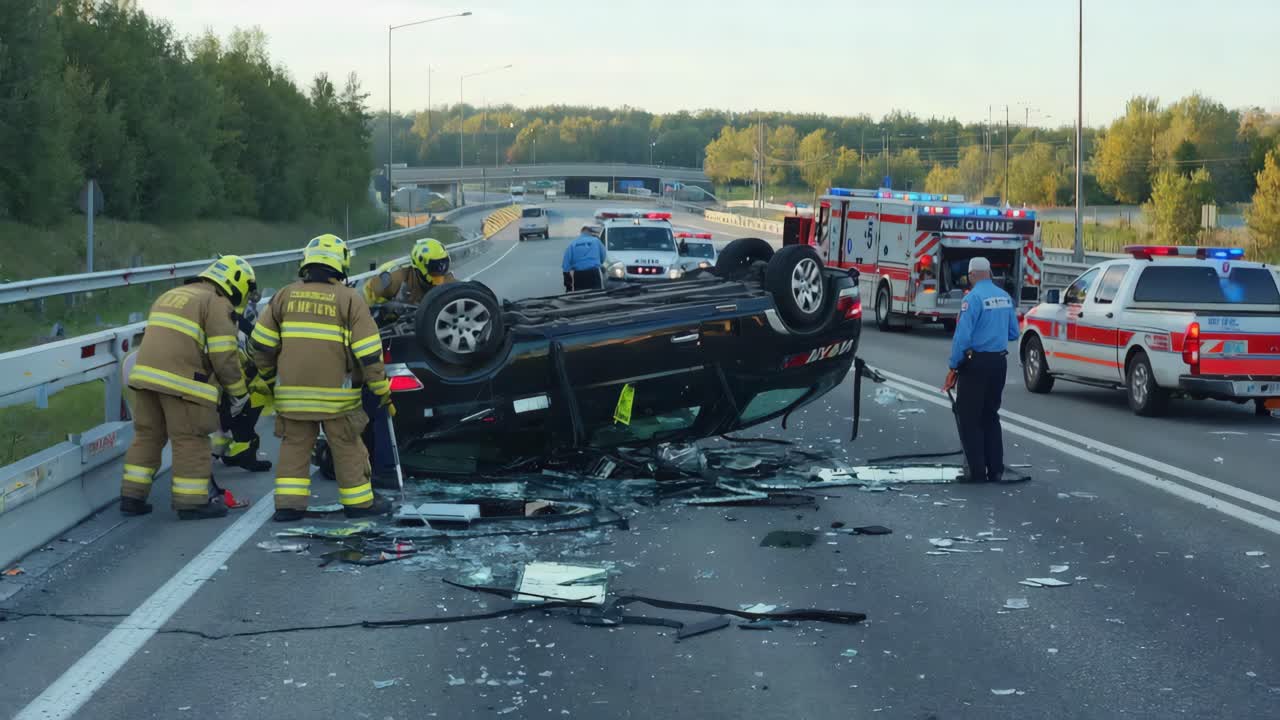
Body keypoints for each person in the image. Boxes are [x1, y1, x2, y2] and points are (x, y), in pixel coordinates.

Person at [252, 234, 394, 522]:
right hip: (337, 398)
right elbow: (368, 353)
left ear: (307, 262)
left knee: (294, 447)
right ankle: (359, 504)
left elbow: (261, 345)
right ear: (341, 265)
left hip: (292, 396)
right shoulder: (349, 299)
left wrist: (267, 381)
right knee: (347, 445)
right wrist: (382, 391)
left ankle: (289, 507)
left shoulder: (284, 295)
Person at [119, 256, 254, 520]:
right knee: (191, 439)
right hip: (182, 382)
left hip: (145, 378)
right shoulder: (216, 302)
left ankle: (131, 497)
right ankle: (192, 503)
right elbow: (223, 355)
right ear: (236, 283)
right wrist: (238, 392)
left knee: (148, 436)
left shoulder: (171, 294)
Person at [360, 238, 454, 487]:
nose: (439, 276)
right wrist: (379, 312)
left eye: (442, 268)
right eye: (434, 270)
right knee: (373, 394)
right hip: (388, 333)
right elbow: (363, 300)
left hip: (423, 338)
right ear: (419, 267)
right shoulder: (393, 278)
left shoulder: (447, 279)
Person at [942, 256, 1021, 484]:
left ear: (972, 275)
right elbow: (1014, 333)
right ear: (989, 273)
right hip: (999, 363)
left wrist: (954, 366)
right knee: (990, 415)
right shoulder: (1005, 297)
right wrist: (994, 332)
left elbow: (962, 338)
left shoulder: (972, 299)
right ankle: (995, 470)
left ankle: (976, 472)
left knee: (969, 418)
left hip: (976, 364)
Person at [211, 294, 273, 473]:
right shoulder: (235, 320)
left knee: (230, 419)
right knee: (241, 414)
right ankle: (241, 453)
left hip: (231, 379)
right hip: (241, 380)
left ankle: (226, 451)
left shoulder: (226, 316)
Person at [363, 237, 456, 306]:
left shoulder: (447, 280)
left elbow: (462, 291)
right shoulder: (397, 279)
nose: (441, 269)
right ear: (420, 266)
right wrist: (386, 306)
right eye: (435, 266)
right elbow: (368, 291)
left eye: (444, 263)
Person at [562, 225, 606, 291]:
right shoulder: (596, 241)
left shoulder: (573, 244)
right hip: (594, 273)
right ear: (590, 233)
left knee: (580, 296)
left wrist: (567, 283)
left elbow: (566, 265)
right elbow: (603, 256)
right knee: (595, 296)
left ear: (581, 232)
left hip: (579, 275)